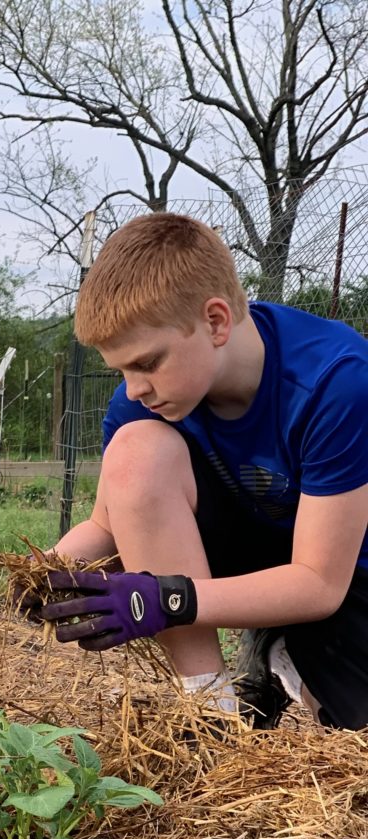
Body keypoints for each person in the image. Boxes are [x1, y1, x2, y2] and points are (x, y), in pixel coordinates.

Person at [39, 212, 368, 730]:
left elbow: (320, 583)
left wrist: (170, 598)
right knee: (136, 452)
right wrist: (46, 572)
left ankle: (278, 650)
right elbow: (107, 525)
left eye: (146, 363)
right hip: (235, 554)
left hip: (337, 574)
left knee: (356, 732)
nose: (133, 389)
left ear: (215, 322)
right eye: (120, 370)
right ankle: (210, 710)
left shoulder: (337, 382)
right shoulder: (140, 405)